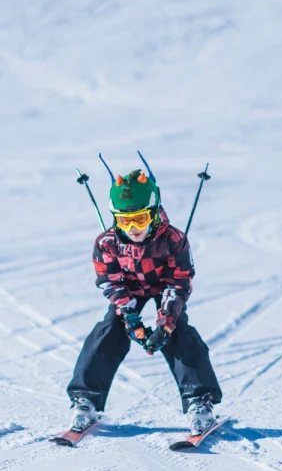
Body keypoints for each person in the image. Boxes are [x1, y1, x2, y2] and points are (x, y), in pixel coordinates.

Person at [66, 166, 222, 435]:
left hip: (165, 287)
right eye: (125, 221)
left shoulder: (173, 240)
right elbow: (111, 281)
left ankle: (199, 400)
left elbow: (179, 282)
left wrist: (167, 323)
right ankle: (86, 399)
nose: (134, 228)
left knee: (179, 334)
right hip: (129, 289)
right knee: (108, 331)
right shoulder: (107, 243)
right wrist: (131, 319)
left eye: (139, 219)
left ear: (152, 212)